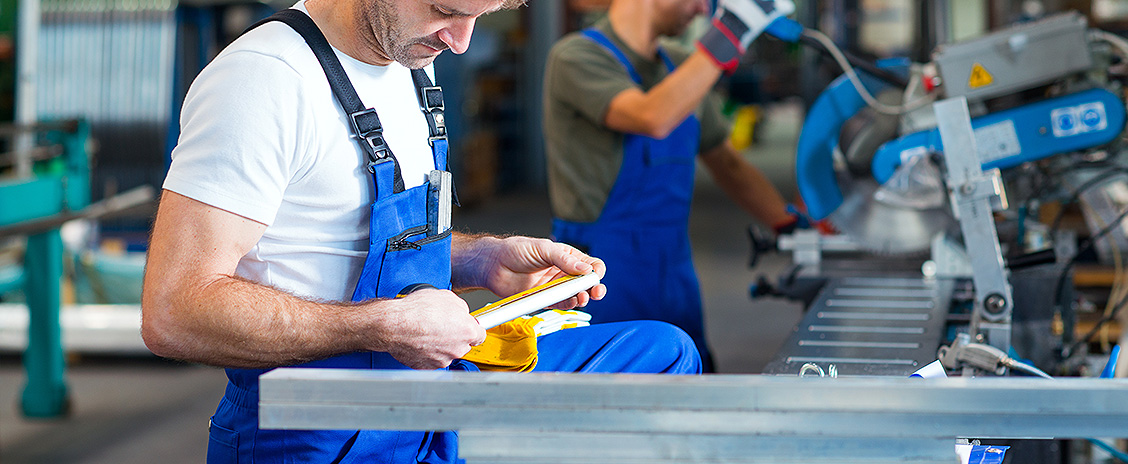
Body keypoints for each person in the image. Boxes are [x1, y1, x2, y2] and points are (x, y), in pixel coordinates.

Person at [139, 0, 701, 462]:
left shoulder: (412, 55)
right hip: (318, 428)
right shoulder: (264, 81)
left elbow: (350, 237)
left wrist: (485, 259)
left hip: (427, 395)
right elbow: (174, 312)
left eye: (484, 15)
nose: (461, 41)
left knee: (663, 354)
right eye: (446, 10)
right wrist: (383, 325)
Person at [543, 0, 800, 371]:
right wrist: (729, 34)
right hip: (599, 273)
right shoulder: (576, 57)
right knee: (611, 394)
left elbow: (727, 162)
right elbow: (652, 116)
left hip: (673, 265)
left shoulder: (683, 66)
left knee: (689, 380)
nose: (701, 11)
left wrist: (790, 226)